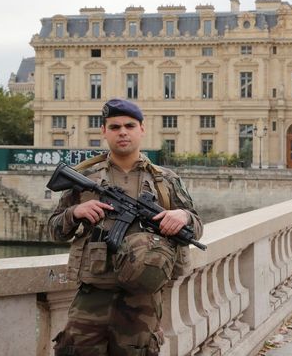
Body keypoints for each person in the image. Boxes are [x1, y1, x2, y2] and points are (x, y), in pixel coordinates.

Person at [48, 99, 203, 356]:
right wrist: (75, 213)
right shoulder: (85, 179)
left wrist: (183, 216)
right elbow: (53, 230)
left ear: (142, 129)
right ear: (104, 132)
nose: (123, 132)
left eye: (130, 125)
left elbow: (196, 227)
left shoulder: (164, 181)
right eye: (115, 126)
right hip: (92, 296)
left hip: (142, 301)